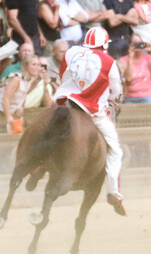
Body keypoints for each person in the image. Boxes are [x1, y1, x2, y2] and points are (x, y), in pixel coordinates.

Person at [53, 26, 125, 214]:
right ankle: (113, 192)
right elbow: (116, 91)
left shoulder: (71, 52)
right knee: (115, 150)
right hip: (94, 112)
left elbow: (62, 77)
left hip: (68, 104)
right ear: (104, 45)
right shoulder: (109, 62)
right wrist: (113, 100)